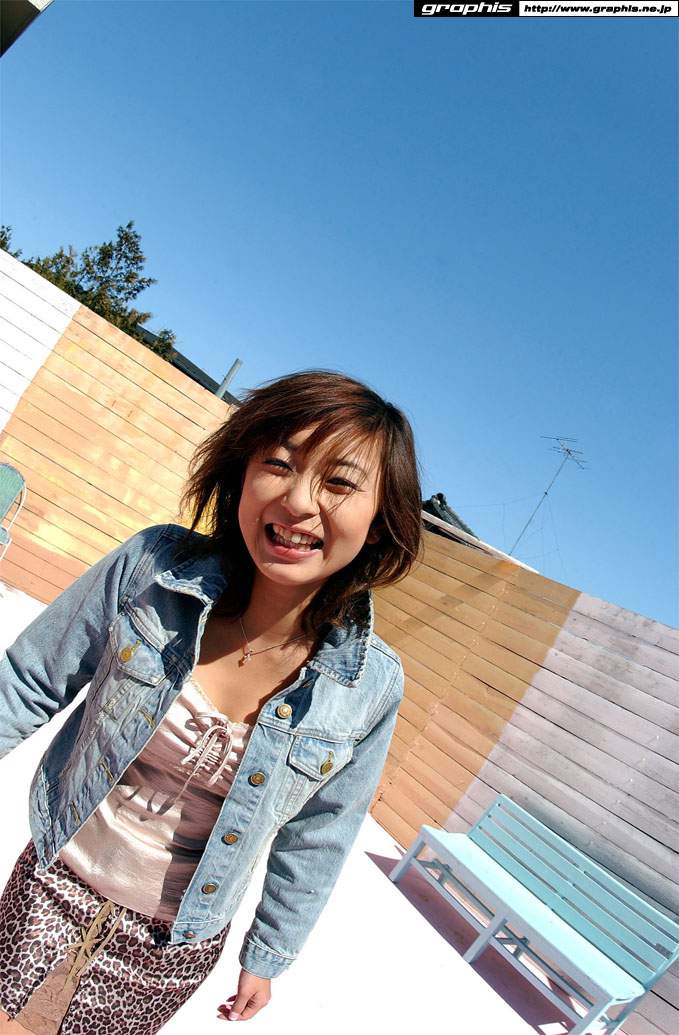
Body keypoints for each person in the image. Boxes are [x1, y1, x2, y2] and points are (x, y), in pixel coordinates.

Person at [0, 368, 423, 1034]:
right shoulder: (152, 567)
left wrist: (268, 954)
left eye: (339, 483)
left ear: (377, 523)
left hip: (173, 944)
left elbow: (321, 833)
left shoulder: (370, 685)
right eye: (278, 464)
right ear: (241, 474)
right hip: (53, 880)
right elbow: (29, 680)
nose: (298, 501)